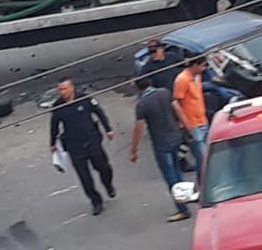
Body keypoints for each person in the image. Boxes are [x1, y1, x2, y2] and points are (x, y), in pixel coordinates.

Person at [50, 79, 115, 216]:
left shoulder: (84, 99)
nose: (63, 92)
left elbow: (99, 112)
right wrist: (52, 143)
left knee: (104, 168)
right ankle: (96, 201)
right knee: (84, 177)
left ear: (72, 88)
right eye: (60, 89)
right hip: (74, 146)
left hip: (92, 140)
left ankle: (108, 185)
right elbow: (54, 126)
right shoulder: (58, 106)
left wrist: (108, 129)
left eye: (65, 89)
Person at [129, 76, 190, 223]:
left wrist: (133, 151)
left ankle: (182, 209)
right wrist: (188, 130)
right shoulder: (164, 92)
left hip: (161, 143)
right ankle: (187, 198)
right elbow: (178, 110)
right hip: (175, 136)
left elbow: (138, 129)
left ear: (138, 88)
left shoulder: (142, 105)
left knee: (170, 176)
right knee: (177, 170)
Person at [172, 56, 209, 173]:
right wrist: (185, 125)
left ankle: (201, 185)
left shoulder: (197, 77)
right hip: (192, 125)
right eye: (203, 65)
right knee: (204, 159)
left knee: (203, 159)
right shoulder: (182, 80)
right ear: (195, 65)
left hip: (203, 121)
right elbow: (176, 103)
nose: (205, 68)